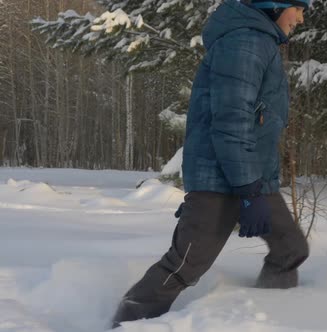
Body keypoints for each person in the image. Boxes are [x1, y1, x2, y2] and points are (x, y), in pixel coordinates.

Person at [111, 0, 310, 327]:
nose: (301, 18)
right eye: (298, 7)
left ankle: (272, 316)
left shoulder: (259, 42)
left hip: (253, 177)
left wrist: (254, 186)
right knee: (186, 264)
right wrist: (248, 191)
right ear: (273, 5)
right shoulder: (246, 42)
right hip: (219, 179)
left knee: (290, 247)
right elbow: (231, 122)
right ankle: (127, 321)